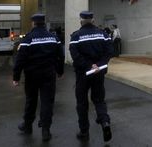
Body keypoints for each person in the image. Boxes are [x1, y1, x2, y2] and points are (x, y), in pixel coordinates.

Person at [13, 13, 64, 142]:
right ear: (44, 23)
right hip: (49, 74)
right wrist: (60, 71)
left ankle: (27, 125)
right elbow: (60, 56)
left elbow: (20, 60)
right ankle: (45, 130)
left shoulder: (27, 39)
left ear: (33, 23)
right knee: (47, 102)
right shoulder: (53, 38)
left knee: (31, 100)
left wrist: (16, 77)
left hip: (32, 76)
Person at [69, 11, 114, 142]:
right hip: (99, 73)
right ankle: (105, 122)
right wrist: (99, 65)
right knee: (99, 100)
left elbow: (75, 56)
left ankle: (84, 132)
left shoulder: (76, 36)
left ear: (81, 21)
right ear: (93, 20)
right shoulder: (103, 34)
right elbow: (110, 51)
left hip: (83, 74)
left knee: (82, 103)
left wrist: (89, 66)